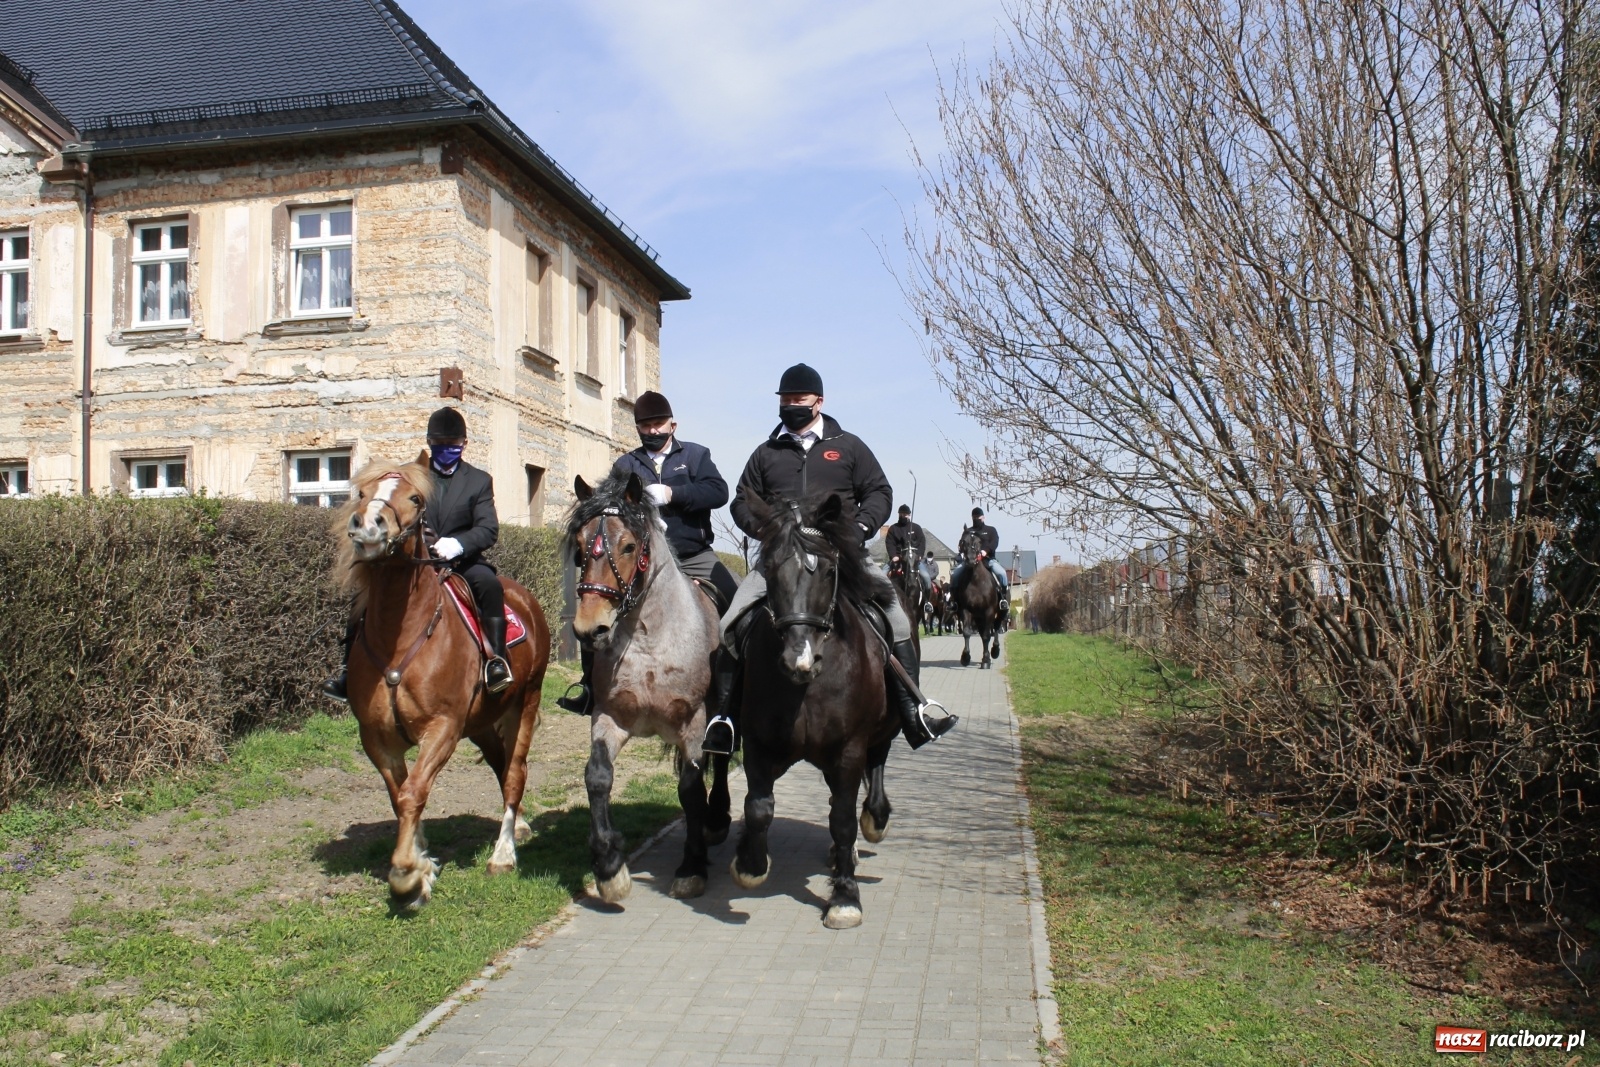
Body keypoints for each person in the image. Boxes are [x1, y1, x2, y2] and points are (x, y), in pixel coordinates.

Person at [703, 362, 958, 756]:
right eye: (786, 399)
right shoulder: (766, 453)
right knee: (729, 625)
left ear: (819, 402)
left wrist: (860, 527)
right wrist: (765, 530)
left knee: (896, 619)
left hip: (845, 556)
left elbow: (879, 491)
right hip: (781, 559)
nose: (791, 405)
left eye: (799, 399)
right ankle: (725, 722)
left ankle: (914, 712)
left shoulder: (849, 446)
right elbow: (740, 500)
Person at [556, 390, 736, 714]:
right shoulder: (625, 464)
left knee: (735, 603)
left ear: (672, 424)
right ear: (637, 428)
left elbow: (718, 492)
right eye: (646, 425)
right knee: (596, 601)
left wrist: (672, 493)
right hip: (642, 562)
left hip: (693, 555)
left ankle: (731, 696)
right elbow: (611, 509)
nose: (653, 430)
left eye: (658, 424)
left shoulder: (696, 455)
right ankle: (588, 686)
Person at [323, 406, 512, 700]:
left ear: (464, 444)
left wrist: (456, 544)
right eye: (438, 444)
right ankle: (348, 671)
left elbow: (488, 528)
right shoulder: (410, 478)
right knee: (365, 594)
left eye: (451, 444)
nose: (445, 449)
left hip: (460, 561)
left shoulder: (478, 481)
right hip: (413, 559)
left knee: (489, 585)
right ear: (429, 443)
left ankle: (496, 661)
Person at [949, 506, 1010, 603]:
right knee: (954, 575)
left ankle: (1003, 598)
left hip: (988, 560)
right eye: (974, 518)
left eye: (978, 517)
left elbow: (994, 542)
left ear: (983, 517)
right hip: (970, 560)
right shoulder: (968, 532)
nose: (976, 519)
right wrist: (962, 553)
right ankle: (953, 601)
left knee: (1002, 574)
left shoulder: (991, 530)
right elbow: (961, 545)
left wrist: (985, 551)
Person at [884, 504, 930, 600]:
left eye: (905, 514)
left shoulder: (916, 528)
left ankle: (927, 602)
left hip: (914, 560)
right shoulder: (893, 529)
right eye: (901, 514)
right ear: (898, 514)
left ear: (909, 515)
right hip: (897, 559)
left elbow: (922, 542)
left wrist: (919, 555)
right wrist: (893, 556)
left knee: (926, 578)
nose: (903, 516)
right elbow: (889, 543)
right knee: (881, 575)